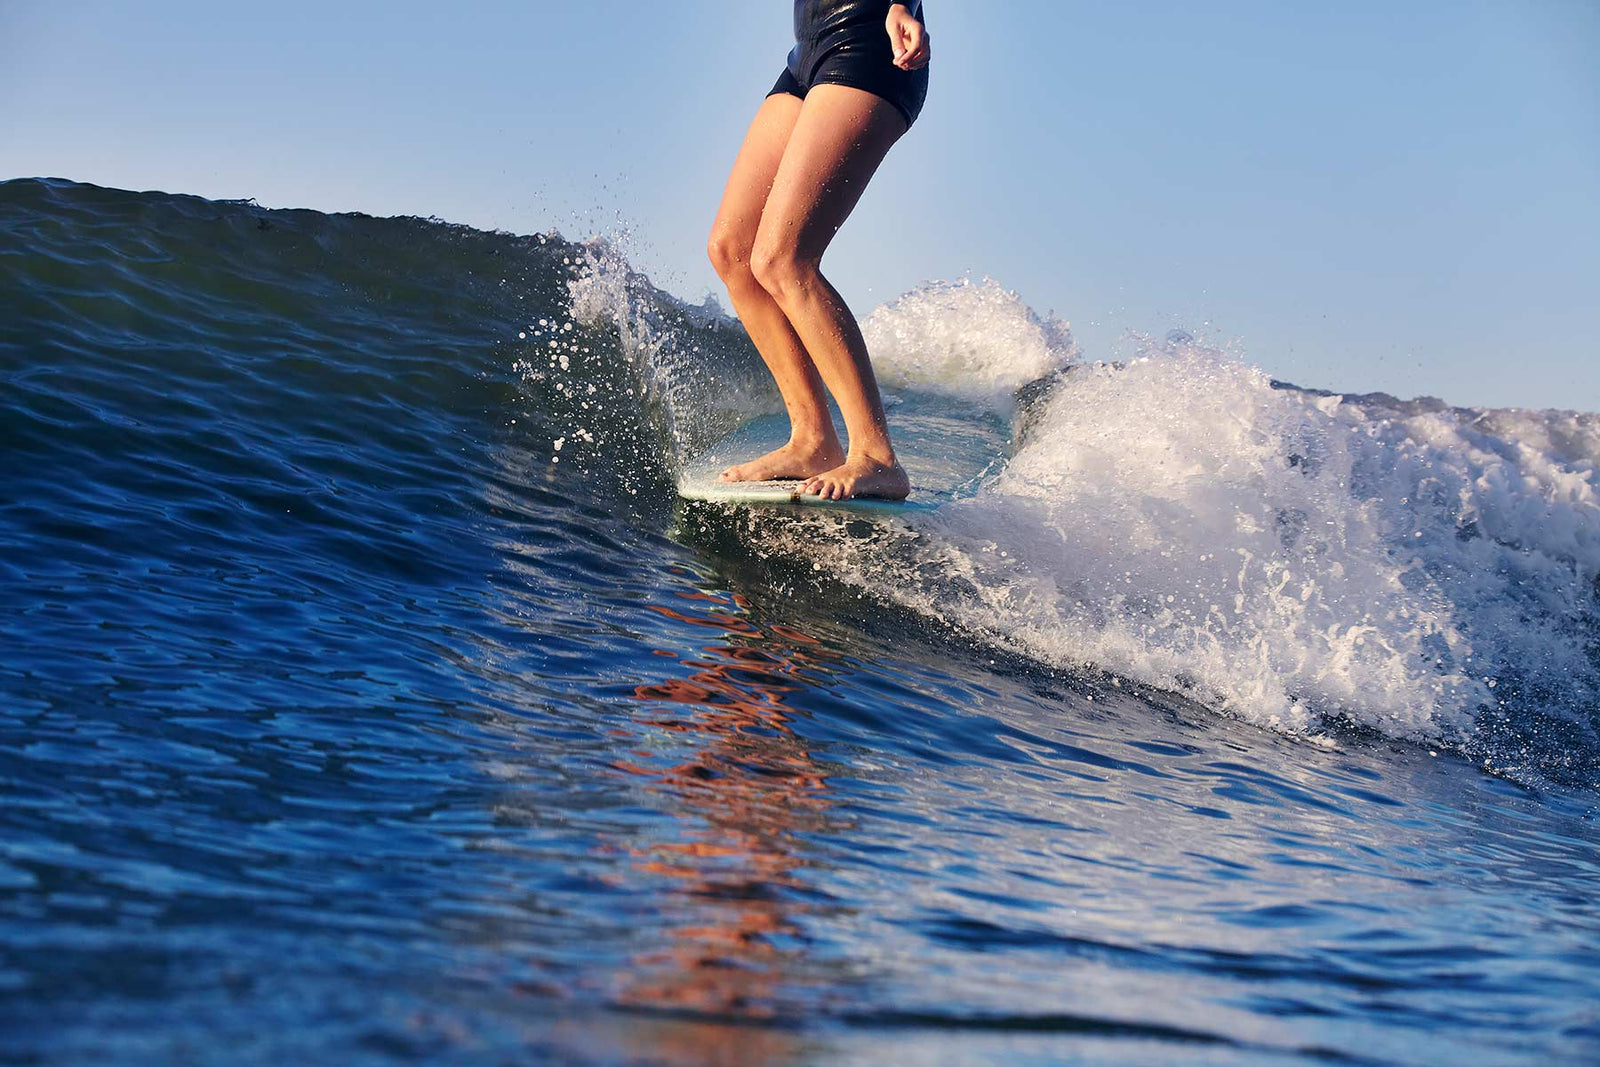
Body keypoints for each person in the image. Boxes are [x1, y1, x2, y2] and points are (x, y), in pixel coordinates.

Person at [707, 1, 930, 501]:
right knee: (733, 251)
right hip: (807, 53)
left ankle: (876, 457)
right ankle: (812, 438)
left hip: (871, 42)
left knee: (785, 258)